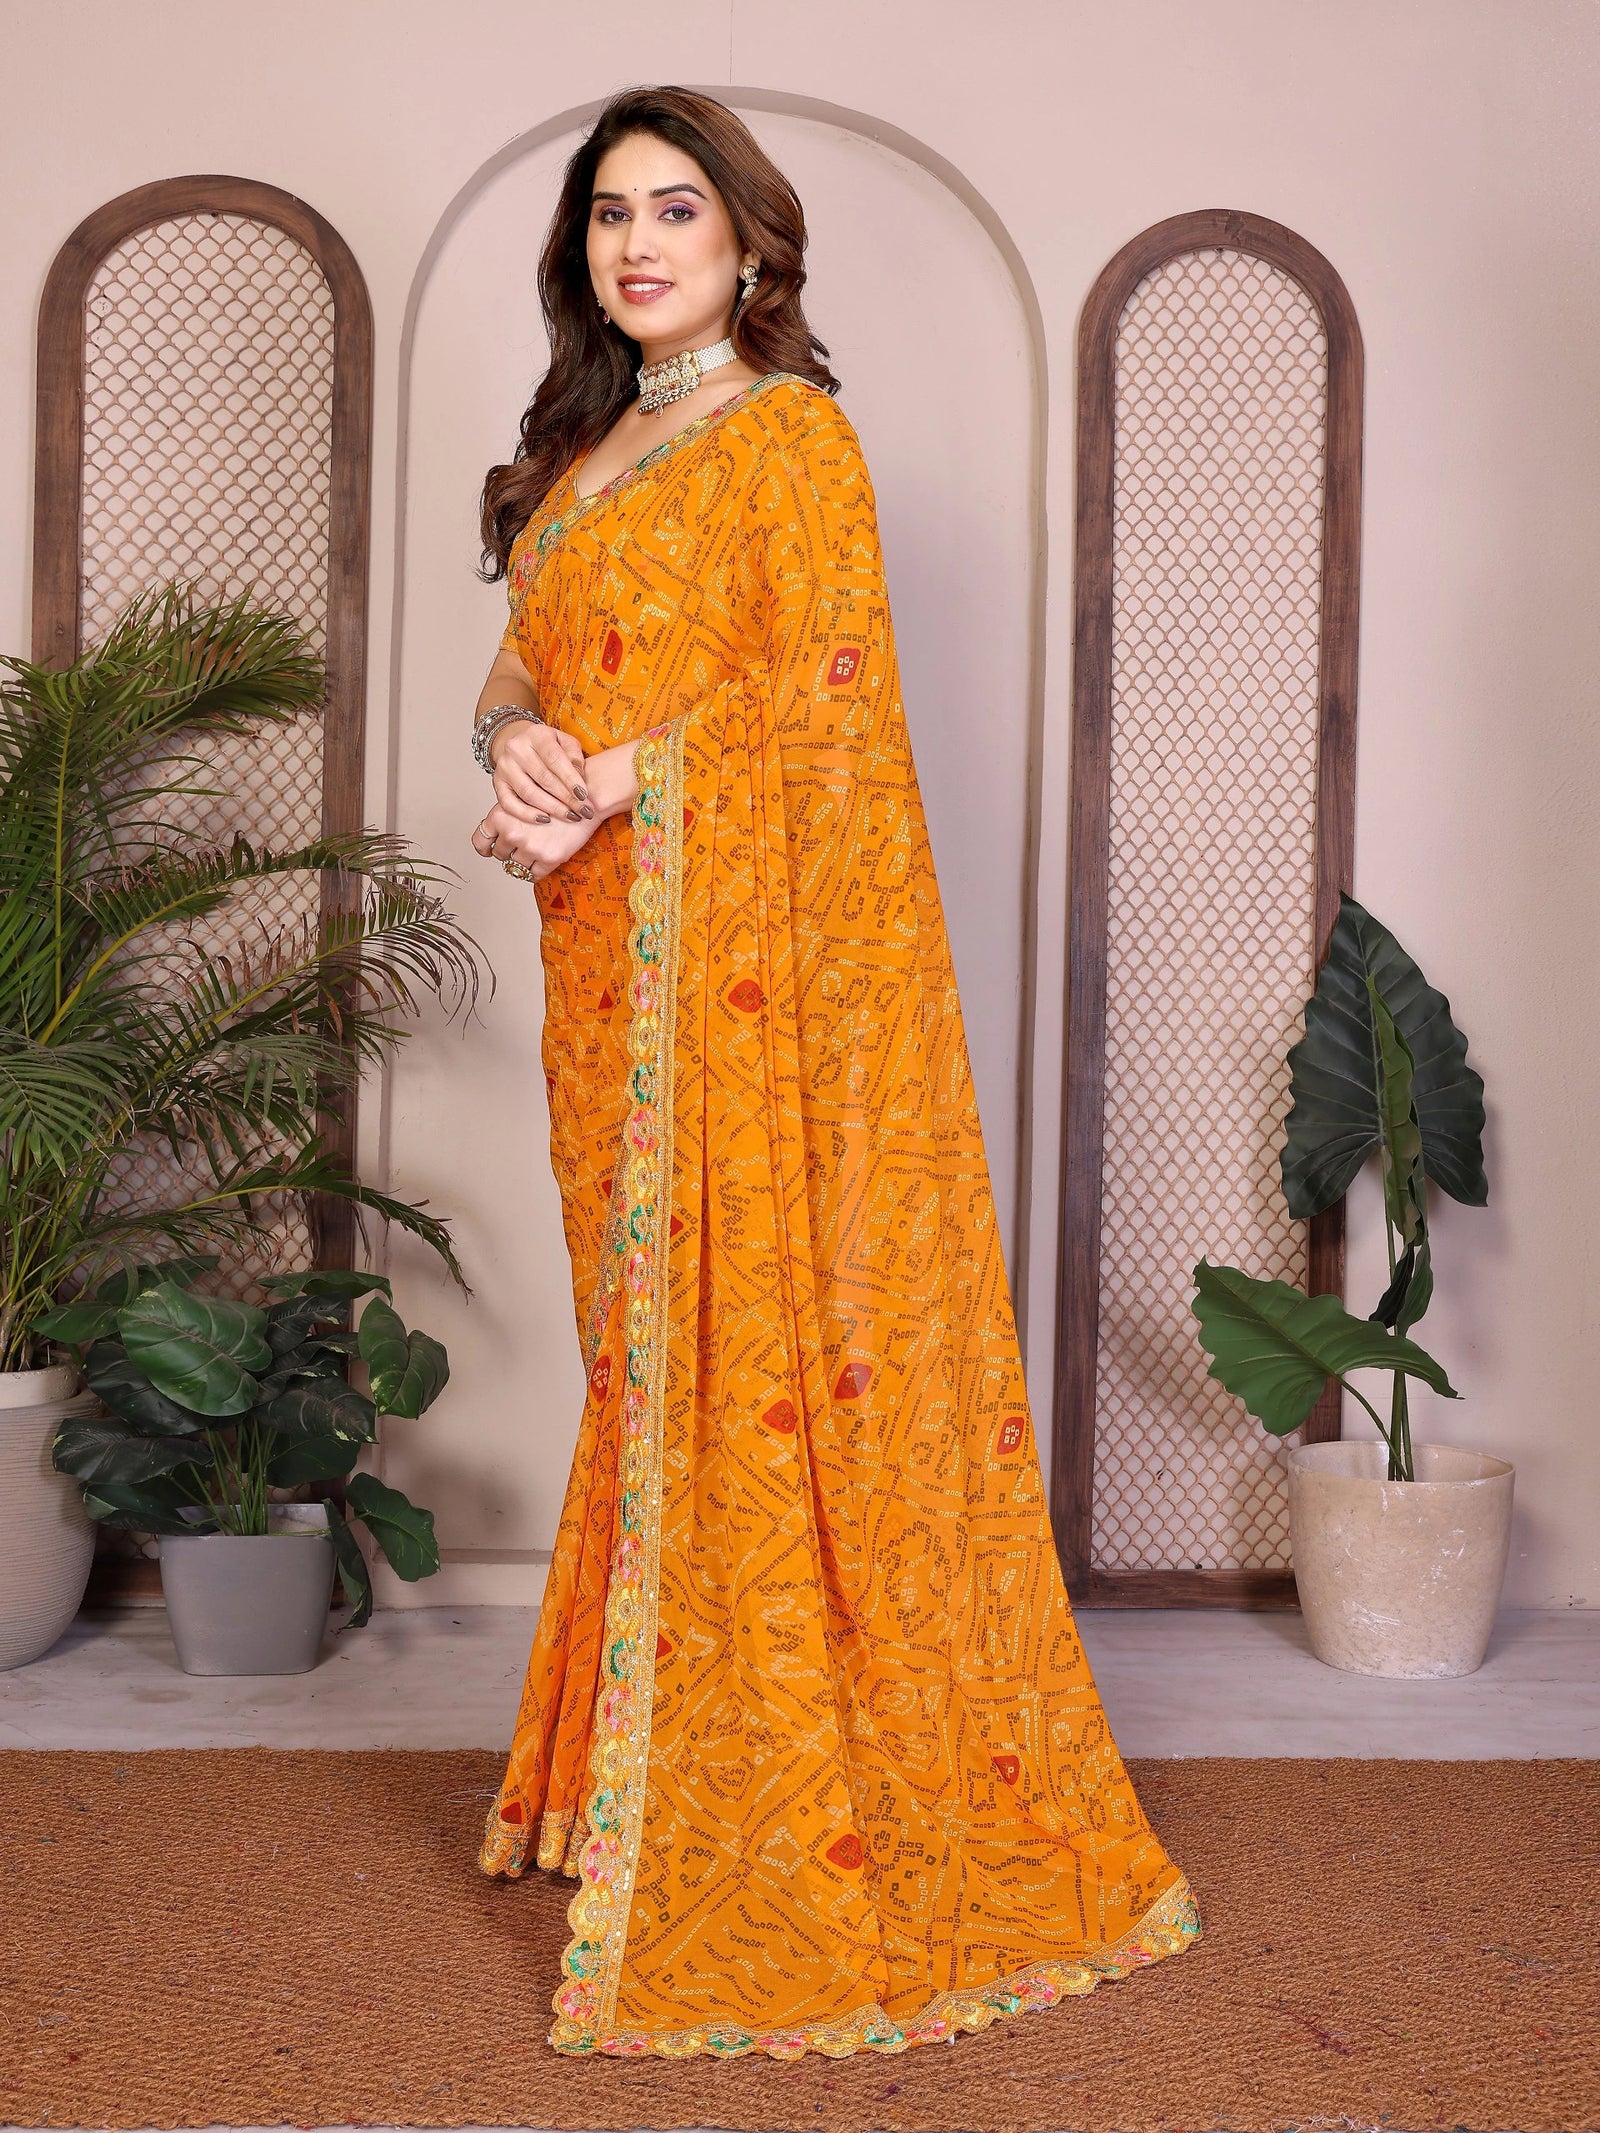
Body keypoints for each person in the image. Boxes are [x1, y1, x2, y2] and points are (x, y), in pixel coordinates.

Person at [471, 85, 1198, 2062]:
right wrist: (519, 748)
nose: (639, 244)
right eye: (609, 214)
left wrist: (616, 774)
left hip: (745, 975)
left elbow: (827, 721)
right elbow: (524, 655)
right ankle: (640, 1750)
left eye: (674, 210)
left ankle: (770, 1771)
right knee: (645, 1354)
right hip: (602, 971)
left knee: (748, 1348)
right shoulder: (577, 446)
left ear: (748, 244)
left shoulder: (791, 441)